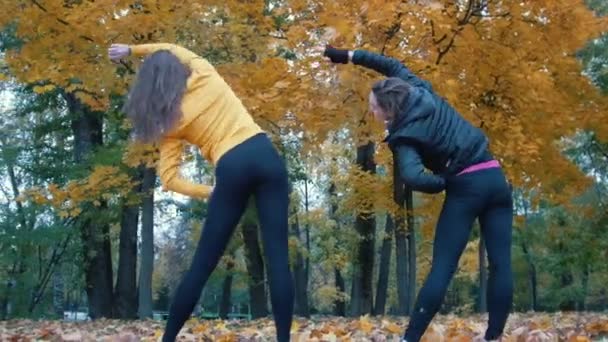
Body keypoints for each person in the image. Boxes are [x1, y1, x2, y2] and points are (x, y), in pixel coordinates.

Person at [321, 46, 513, 342]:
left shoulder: (403, 138)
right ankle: (494, 337)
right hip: (495, 177)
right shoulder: (417, 87)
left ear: (389, 109)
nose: (371, 112)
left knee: (443, 268)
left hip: (465, 187)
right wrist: (346, 54)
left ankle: (410, 338)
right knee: (502, 263)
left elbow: (413, 176)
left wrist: (443, 182)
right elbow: (386, 62)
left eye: (374, 108)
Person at [108, 43, 294, 342]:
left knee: (202, 264)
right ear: (179, 68)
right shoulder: (205, 73)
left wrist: (210, 191)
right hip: (265, 154)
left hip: (231, 167)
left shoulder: (169, 120)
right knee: (278, 259)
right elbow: (171, 46)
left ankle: (168, 339)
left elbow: (169, 179)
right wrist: (130, 50)